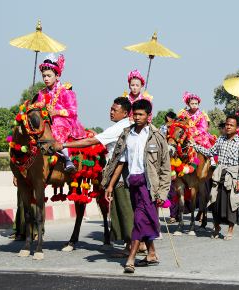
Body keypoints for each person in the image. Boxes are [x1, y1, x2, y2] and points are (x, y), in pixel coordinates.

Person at [53, 97, 134, 255]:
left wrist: (63, 145)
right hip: (130, 173)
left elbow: (90, 142)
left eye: (114, 110)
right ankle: (136, 245)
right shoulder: (128, 125)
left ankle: (132, 247)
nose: (110, 112)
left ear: (125, 113)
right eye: (110, 108)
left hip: (122, 174)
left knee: (125, 210)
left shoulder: (118, 128)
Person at [102, 99, 171, 273]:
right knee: (144, 218)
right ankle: (152, 253)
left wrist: (162, 192)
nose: (138, 117)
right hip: (132, 183)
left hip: (149, 186)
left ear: (149, 116)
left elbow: (165, 167)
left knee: (139, 220)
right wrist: (110, 185)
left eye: (141, 114)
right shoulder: (127, 134)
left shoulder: (157, 137)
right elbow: (119, 162)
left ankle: (130, 259)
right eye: (135, 114)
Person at [192, 116, 239, 241]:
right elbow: (210, 152)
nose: (228, 127)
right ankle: (216, 227)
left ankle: (230, 230)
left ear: (237, 127)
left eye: (231, 125)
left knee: (231, 203)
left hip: (233, 175)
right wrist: (195, 146)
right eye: (227, 124)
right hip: (219, 174)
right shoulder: (221, 139)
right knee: (215, 202)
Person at [35, 53, 86, 172]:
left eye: (49, 75)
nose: (46, 78)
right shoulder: (41, 93)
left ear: (57, 76)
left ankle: (68, 159)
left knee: (57, 125)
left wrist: (56, 112)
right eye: (44, 76)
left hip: (65, 121)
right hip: (46, 120)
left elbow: (73, 111)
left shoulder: (66, 91)